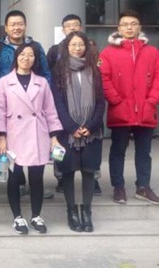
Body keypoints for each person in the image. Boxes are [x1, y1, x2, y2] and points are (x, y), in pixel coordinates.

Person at [0, 43, 63, 235]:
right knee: (15, 177)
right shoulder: (5, 82)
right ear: (16, 57)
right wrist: (1, 137)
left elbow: (50, 110)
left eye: (31, 55)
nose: (26, 58)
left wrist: (54, 137)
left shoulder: (42, 82)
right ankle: (17, 216)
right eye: (22, 54)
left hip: (37, 133)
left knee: (37, 178)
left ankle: (36, 215)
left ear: (35, 59)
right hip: (13, 135)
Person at [98, 10, 159, 205]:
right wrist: (116, 100)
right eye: (125, 24)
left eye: (133, 24)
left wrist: (151, 101)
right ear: (119, 28)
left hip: (145, 111)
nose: (129, 27)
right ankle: (118, 187)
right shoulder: (107, 53)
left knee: (144, 152)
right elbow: (103, 78)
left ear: (140, 27)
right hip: (120, 110)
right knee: (117, 151)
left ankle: (143, 187)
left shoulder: (152, 52)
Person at [0, 10, 54, 200]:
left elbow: (46, 73)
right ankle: (19, 184)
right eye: (12, 24)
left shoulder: (36, 47)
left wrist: (42, 96)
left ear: (25, 25)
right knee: (13, 149)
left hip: (33, 103)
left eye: (20, 24)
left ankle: (35, 185)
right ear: (6, 27)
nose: (17, 27)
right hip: (9, 103)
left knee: (34, 148)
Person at [51, 32, 105, 232]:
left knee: (89, 171)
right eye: (73, 44)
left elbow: (101, 102)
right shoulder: (58, 70)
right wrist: (72, 127)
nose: (77, 48)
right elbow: (57, 103)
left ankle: (87, 213)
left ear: (86, 47)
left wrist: (90, 126)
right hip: (67, 132)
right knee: (68, 171)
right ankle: (72, 212)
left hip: (92, 131)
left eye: (81, 44)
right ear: (67, 47)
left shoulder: (95, 69)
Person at [47, 14, 102, 196]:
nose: (72, 28)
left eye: (76, 25)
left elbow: (100, 95)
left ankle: (93, 180)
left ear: (81, 27)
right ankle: (61, 178)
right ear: (63, 30)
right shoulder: (55, 51)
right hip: (66, 115)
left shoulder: (92, 52)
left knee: (90, 157)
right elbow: (52, 82)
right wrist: (69, 125)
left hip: (88, 116)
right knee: (63, 156)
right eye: (68, 25)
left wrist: (91, 124)